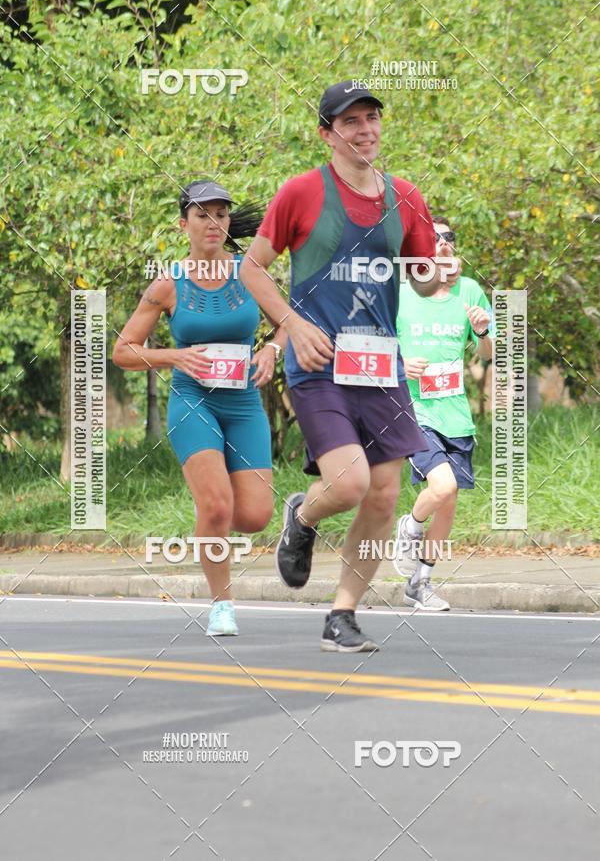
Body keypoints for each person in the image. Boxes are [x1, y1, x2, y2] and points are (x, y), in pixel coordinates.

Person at [240, 80, 443, 652]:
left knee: (383, 495)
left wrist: (436, 275)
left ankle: (342, 614)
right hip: (318, 364)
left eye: (372, 118)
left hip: (380, 365)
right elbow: (252, 268)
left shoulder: (405, 196)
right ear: (327, 133)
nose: (365, 130)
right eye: (350, 121)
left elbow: (423, 279)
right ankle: (303, 516)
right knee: (351, 483)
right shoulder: (301, 193)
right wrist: (293, 324)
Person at [112, 180, 286, 637]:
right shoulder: (168, 284)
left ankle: (288, 517)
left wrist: (271, 350)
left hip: (245, 404)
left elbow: (288, 323)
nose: (214, 223)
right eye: (203, 214)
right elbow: (124, 351)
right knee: (214, 506)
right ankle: (221, 605)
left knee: (253, 517)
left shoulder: (251, 274)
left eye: (222, 214)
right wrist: (174, 356)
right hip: (193, 403)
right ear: (183, 223)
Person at [394, 216, 493, 610]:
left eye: (448, 238)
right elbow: (372, 345)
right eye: (432, 239)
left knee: (448, 504)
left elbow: (489, 354)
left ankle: (421, 583)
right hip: (414, 410)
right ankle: (410, 526)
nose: (442, 244)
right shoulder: (400, 292)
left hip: (456, 413)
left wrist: (483, 332)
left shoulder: (469, 291)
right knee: (443, 488)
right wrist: (402, 363)